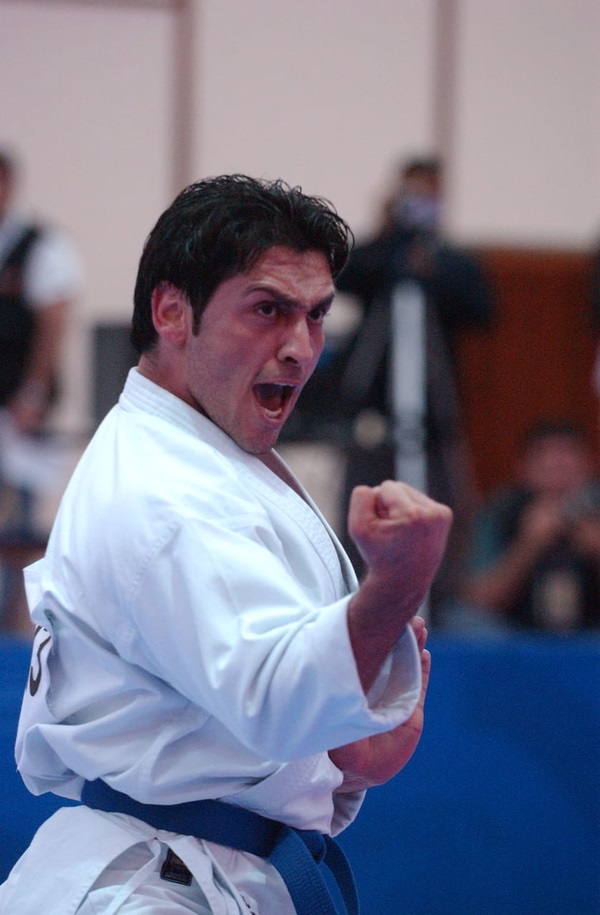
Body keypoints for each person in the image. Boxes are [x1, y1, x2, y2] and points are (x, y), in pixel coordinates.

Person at [0, 174, 452, 914]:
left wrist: (344, 760)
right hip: (150, 889)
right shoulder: (162, 492)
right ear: (172, 311)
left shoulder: (207, 453)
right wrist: (396, 585)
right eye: (268, 309)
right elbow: (273, 696)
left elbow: (232, 713)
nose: (301, 347)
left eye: (316, 315)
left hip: (202, 868)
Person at [318, 156, 495, 615]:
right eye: (412, 197)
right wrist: (390, 236)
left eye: (428, 197)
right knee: (363, 504)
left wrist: (429, 267)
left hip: (435, 414)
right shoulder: (381, 255)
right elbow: (345, 277)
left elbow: (483, 309)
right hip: (373, 414)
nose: (420, 206)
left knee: (440, 505)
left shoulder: (450, 262)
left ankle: (441, 605)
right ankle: (355, 604)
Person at [0, 149, 82, 633]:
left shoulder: (41, 247)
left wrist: (33, 391)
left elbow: (54, 322)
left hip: (18, 409)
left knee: (19, 529)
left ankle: (16, 632)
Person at [459, 419, 600, 632]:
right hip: (517, 632)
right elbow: (478, 599)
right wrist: (529, 545)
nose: (557, 466)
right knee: (466, 621)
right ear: (524, 468)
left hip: (591, 632)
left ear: (588, 464)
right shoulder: (502, 511)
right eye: (545, 457)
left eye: (566, 456)